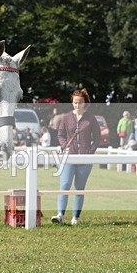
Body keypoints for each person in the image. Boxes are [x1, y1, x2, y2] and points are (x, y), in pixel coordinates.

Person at [51, 89, 102, 225]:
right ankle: (60, 215)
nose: (77, 105)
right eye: (75, 102)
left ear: (85, 103)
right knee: (65, 184)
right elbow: (61, 135)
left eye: (79, 102)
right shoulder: (66, 117)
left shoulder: (91, 119)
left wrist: (90, 152)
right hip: (69, 157)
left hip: (85, 158)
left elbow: (97, 138)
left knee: (79, 188)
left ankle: (75, 217)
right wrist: (64, 146)